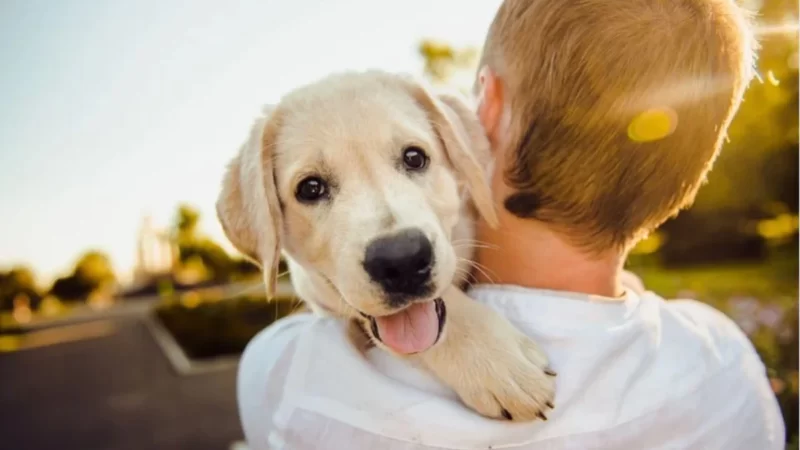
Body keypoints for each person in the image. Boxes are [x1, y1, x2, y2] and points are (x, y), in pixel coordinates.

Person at [237, 0, 786, 448]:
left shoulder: (290, 378)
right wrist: (451, 332)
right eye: (313, 189)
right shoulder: (726, 366)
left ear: (486, 109)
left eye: (412, 158)